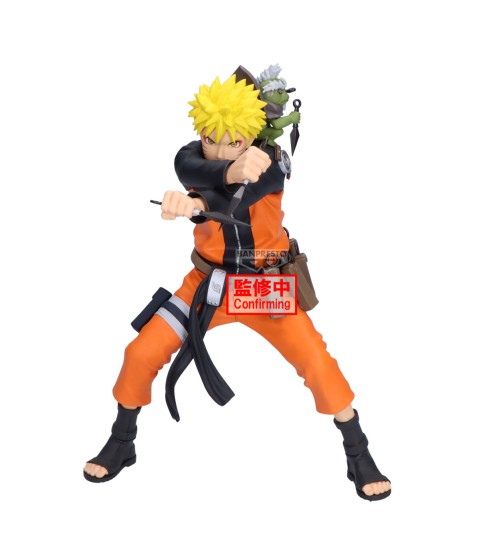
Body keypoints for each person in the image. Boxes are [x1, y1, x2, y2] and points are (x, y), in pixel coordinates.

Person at [84, 72, 391, 501]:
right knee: (140, 352)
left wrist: (198, 202)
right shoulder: (192, 157)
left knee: (317, 363)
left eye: (235, 142)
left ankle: (357, 450)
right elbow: (191, 167)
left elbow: (234, 196)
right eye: (211, 138)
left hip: (265, 287)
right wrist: (212, 183)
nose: (219, 147)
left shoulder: (272, 164)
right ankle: (122, 439)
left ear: (255, 135)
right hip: (207, 284)